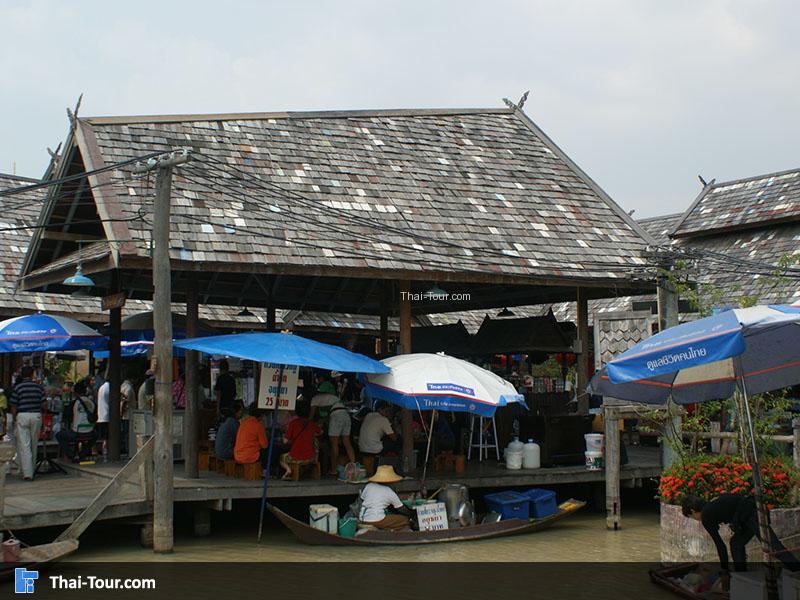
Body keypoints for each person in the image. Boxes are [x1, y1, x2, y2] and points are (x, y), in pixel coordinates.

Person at [682, 493, 799, 575]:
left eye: (692, 517)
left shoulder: (706, 515)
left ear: (692, 511)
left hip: (752, 514)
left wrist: (724, 571)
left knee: (774, 547)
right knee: (736, 543)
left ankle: (797, 570)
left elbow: (720, 546)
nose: (696, 519)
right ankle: (742, 576)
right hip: (752, 510)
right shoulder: (713, 503)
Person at [8, 366, 46, 480]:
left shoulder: (18, 388)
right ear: (32, 374)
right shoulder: (39, 388)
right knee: (34, 444)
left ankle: (27, 473)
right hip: (36, 415)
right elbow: (44, 404)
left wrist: (14, 419)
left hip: (22, 415)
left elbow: (13, 405)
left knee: (24, 445)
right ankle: (31, 469)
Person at [312, 380, 356, 474]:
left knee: (334, 444)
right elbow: (331, 412)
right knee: (347, 443)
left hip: (336, 417)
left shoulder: (314, 399)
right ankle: (354, 467)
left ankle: (333, 469)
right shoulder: (332, 397)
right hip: (345, 415)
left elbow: (310, 417)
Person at [358, 465, 412, 531]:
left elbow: (362, 499)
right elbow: (401, 508)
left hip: (362, 517)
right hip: (376, 519)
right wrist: (411, 514)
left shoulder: (369, 485)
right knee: (404, 520)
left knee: (390, 519)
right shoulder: (389, 492)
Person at [55, 379, 97, 462]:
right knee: (95, 435)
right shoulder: (92, 402)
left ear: (75, 392)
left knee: (59, 435)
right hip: (90, 431)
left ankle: (71, 454)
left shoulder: (74, 403)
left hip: (76, 432)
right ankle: (83, 453)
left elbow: (67, 418)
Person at [279, 402, 322, 479]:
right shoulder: (311, 424)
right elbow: (321, 432)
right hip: (311, 457)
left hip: (295, 456)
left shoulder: (293, 423)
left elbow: (285, 441)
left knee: (281, 458)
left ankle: (288, 470)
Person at [234, 403, 269, 469]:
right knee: (271, 450)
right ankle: (266, 471)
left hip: (237, 455)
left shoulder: (243, 423)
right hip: (249, 456)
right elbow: (265, 445)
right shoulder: (258, 425)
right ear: (261, 414)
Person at [120, 375, 135, 455]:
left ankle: (127, 450)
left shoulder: (122, 387)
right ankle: (128, 450)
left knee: (125, 433)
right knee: (128, 434)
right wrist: (121, 412)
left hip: (124, 414)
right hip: (128, 414)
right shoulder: (128, 388)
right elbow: (125, 402)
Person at [96, 379, 110, 458]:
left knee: (103, 437)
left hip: (101, 415)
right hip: (107, 415)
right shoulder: (109, 387)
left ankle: (104, 451)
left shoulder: (101, 387)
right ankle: (105, 452)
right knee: (106, 437)